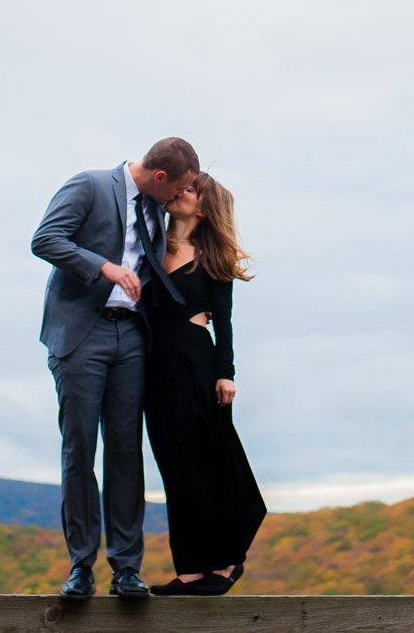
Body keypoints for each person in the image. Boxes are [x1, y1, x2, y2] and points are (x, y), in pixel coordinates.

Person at [31, 137, 200, 599]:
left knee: (127, 450)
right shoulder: (89, 185)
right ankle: (80, 567)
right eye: (177, 189)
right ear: (160, 176)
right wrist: (103, 267)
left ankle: (126, 569)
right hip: (83, 333)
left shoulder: (158, 209)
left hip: (133, 337)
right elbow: (45, 240)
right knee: (80, 447)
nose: (177, 199)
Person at [143, 172, 266, 595]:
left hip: (195, 362)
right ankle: (191, 567)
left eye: (190, 190)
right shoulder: (150, 244)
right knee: (172, 465)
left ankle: (227, 561)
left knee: (204, 461)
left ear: (204, 205)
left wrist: (225, 372)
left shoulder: (212, 257)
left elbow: (224, 320)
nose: (180, 192)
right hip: (153, 366)